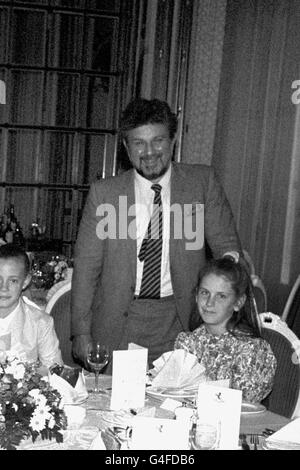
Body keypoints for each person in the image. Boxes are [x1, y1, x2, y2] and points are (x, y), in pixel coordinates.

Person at [71, 97, 242, 370]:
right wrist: (81, 332)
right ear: (126, 148)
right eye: (138, 142)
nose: (149, 151)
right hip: (120, 325)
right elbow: (86, 268)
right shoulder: (105, 194)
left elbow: (227, 248)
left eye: (158, 140)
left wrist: (227, 304)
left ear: (172, 141)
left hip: (183, 324)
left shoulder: (201, 184)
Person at [174, 258, 277, 403]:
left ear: (238, 303)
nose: (210, 303)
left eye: (221, 296)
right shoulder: (188, 342)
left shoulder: (252, 350)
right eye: (205, 293)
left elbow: (243, 406)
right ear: (196, 295)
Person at [0, 244, 63, 368]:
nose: (4, 288)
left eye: (13, 281)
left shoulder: (40, 323)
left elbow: (54, 370)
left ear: (25, 282)